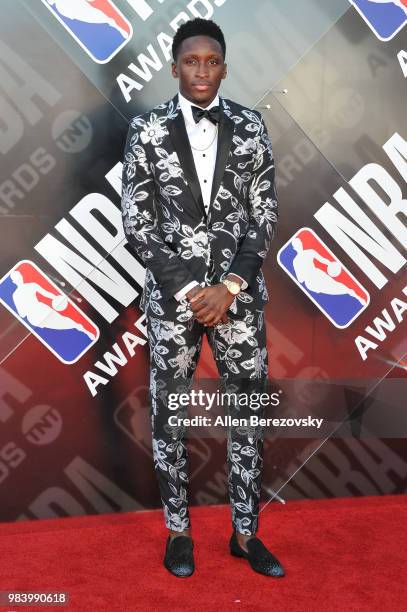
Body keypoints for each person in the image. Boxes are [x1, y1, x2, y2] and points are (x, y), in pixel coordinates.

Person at [121, 17, 283, 578]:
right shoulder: (145, 129)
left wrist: (230, 286)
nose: (202, 71)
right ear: (174, 67)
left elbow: (264, 215)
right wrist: (194, 291)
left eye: (212, 62)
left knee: (248, 414)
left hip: (239, 297)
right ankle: (178, 533)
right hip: (174, 302)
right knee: (169, 414)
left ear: (224, 67)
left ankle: (245, 533)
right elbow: (138, 225)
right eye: (192, 61)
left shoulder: (251, 125)